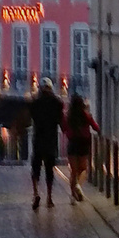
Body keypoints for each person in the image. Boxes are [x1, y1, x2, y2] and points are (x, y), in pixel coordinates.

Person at [29, 76, 64, 211]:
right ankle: (49, 198)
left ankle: (36, 193)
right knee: (50, 170)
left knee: (35, 168)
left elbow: (32, 115)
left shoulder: (35, 103)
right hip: (51, 140)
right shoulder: (57, 103)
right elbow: (61, 117)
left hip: (38, 139)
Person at [63, 93, 100, 202]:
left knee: (73, 172)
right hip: (83, 144)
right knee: (83, 169)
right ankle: (78, 185)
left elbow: (64, 129)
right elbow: (96, 127)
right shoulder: (86, 116)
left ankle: (72, 196)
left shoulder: (68, 117)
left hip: (72, 143)